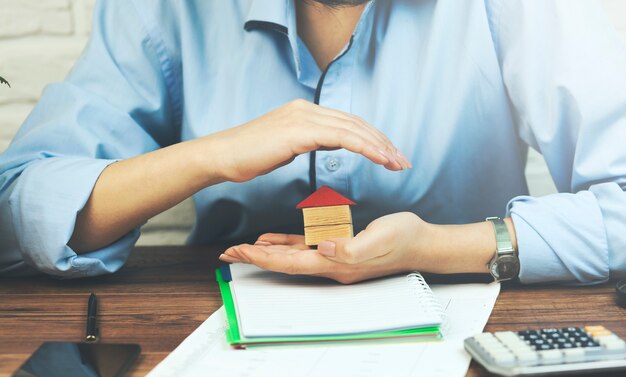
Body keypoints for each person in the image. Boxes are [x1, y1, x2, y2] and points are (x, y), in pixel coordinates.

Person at [0, 0, 625, 285]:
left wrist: (435, 247)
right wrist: (209, 156)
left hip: (471, 334)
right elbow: (19, 207)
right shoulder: (163, 9)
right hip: (220, 343)